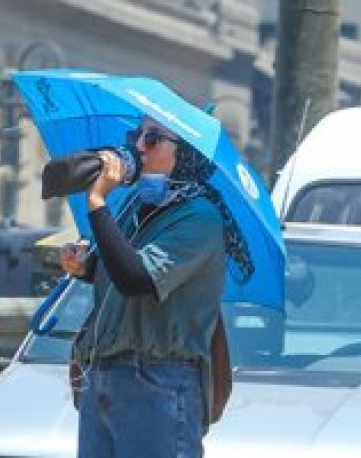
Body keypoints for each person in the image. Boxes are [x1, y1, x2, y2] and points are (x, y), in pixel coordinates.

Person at [60, 116, 251, 457]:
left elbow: (137, 280)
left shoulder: (199, 218)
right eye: (137, 135)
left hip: (156, 380)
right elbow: (119, 270)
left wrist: (97, 204)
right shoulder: (136, 209)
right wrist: (85, 266)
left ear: (186, 154)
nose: (138, 147)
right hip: (103, 374)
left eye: (153, 139)